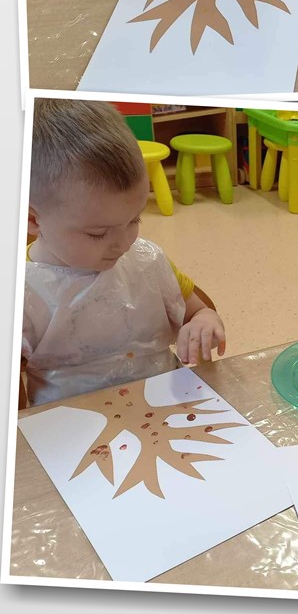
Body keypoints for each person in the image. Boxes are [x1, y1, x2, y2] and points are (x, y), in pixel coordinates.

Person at [22, 99, 227, 407]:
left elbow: (199, 310)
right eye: (98, 233)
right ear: (33, 219)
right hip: (72, 419)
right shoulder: (21, 292)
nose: (124, 244)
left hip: (164, 404)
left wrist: (204, 321)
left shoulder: (146, 260)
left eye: (134, 220)